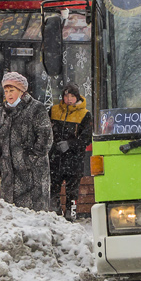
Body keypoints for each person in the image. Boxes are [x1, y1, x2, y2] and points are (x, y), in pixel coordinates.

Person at [0, 71, 54, 211]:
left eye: (12, 90)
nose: (9, 94)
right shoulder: (1, 112)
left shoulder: (36, 108)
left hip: (32, 176)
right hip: (8, 176)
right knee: (11, 219)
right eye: (6, 91)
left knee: (32, 218)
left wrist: (29, 159)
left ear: (22, 91)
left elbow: (45, 138)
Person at [49, 83, 91, 221]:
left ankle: (70, 214)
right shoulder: (53, 111)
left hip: (74, 159)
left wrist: (70, 144)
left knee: (72, 191)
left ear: (77, 97)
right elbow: (44, 131)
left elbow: (87, 137)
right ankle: (54, 213)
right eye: (66, 96)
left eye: (72, 96)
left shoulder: (85, 114)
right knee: (52, 188)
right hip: (55, 158)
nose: (69, 99)